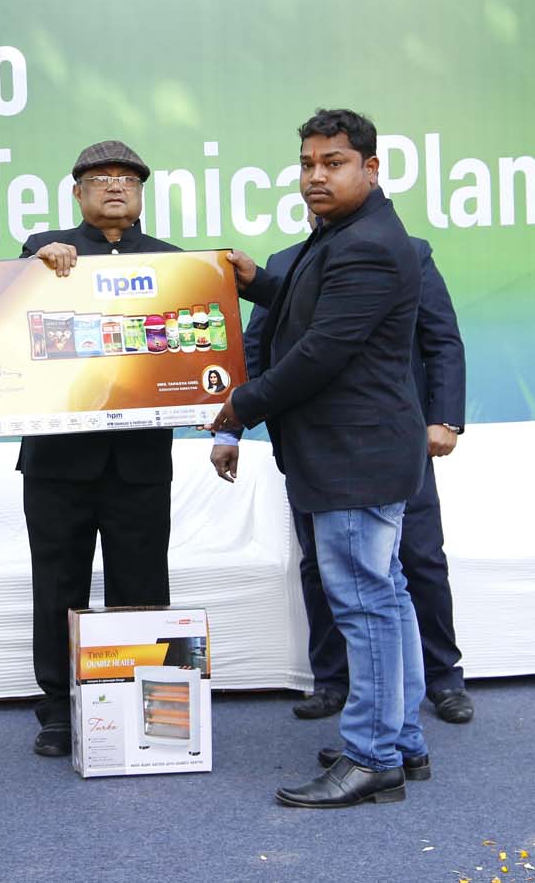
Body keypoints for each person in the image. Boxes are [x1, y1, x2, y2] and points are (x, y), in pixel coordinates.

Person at [212, 109, 427, 808]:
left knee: (365, 604)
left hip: (353, 454)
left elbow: (321, 351)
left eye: (333, 163)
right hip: (358, 449)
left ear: (371, 167)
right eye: (307, 164)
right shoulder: (346, 234)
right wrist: (257, 282)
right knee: (385, 595)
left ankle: (372, 757)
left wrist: (241, 406)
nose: (315, 176)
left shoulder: (366, 243)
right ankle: (401, 739)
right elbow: (315, 310)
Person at [213, 232, 472, 724]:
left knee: (417, 559)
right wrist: (231, 431)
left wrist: (444, 418)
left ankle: (442, 678)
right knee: (322, 567)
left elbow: (439, 338)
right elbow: (256, 349)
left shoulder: (403, 250)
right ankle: (334, 681)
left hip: (392, 442)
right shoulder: (286, 262)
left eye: (330, 182)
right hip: (311, 446)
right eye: (309, 183)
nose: (318, 192)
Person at [18, 140, 182, 758]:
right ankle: (60, 709)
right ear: (77, 193)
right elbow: (9, 310)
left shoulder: (174, 264)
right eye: (100, 178)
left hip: (140, 460)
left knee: (141, 586)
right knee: (58, 586)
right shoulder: (45, 251)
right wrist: (35, 261)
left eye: (127, 179)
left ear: (141, 194)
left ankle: (143, 706)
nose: (115, 186)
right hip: (57, 460)